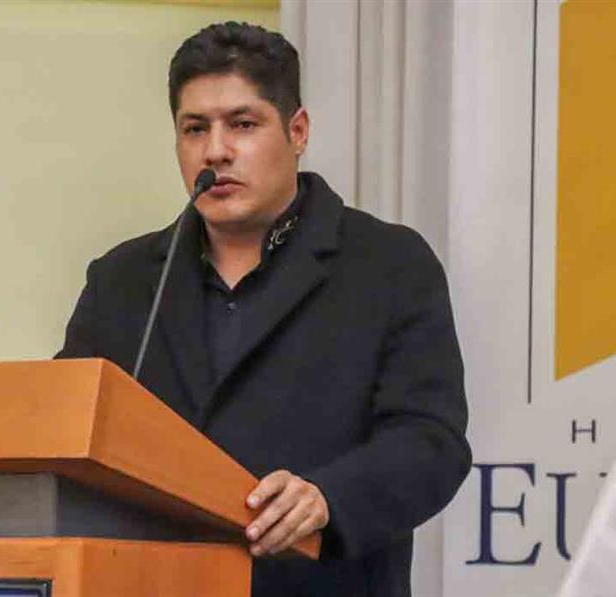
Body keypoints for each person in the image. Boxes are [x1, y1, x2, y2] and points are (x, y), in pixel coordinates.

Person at [56, 22, 470, 597]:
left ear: (297, 132)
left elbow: (431, 442)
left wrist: (328, 498)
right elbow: (68, 430)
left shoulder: (389, 264)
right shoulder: (121, 281)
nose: (216, 150)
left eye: (243, 124)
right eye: (195, 129)